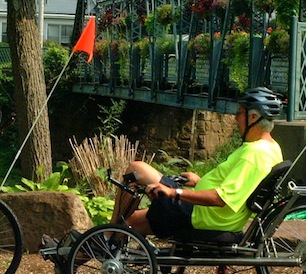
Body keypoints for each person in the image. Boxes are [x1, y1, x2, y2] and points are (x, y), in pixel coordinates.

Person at [112, 87, 284, 238]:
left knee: (136, 170)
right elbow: (239, 189)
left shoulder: (254, 155)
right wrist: (200, 182)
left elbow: (220, 199)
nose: (235, 117)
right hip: (208, 214)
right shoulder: (271, 148)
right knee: (128, 223)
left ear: (253, 117)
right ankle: (107, 237)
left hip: (203, 216)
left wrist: (174, 192)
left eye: (239, 112)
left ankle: (105, 236)